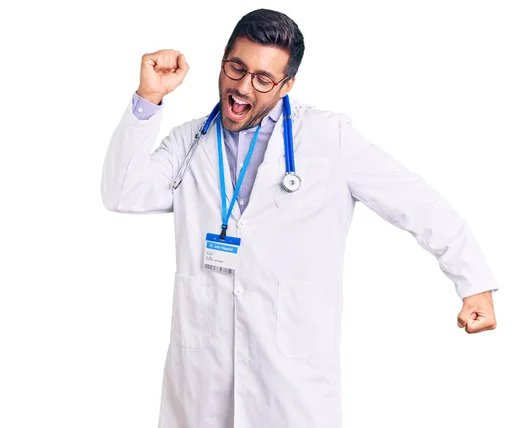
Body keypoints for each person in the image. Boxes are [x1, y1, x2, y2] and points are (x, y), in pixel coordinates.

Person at [101, 8, 498, 428]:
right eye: (236, 68)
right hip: (200, 382)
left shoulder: (329, 139)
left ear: (287, 85)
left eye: (263, 79)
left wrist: (474, 283)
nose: (242, 87)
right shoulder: (190, 141)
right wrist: (148, 99)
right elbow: (121, 192)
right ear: (223, 61)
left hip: (289, 387)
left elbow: (417, 202)